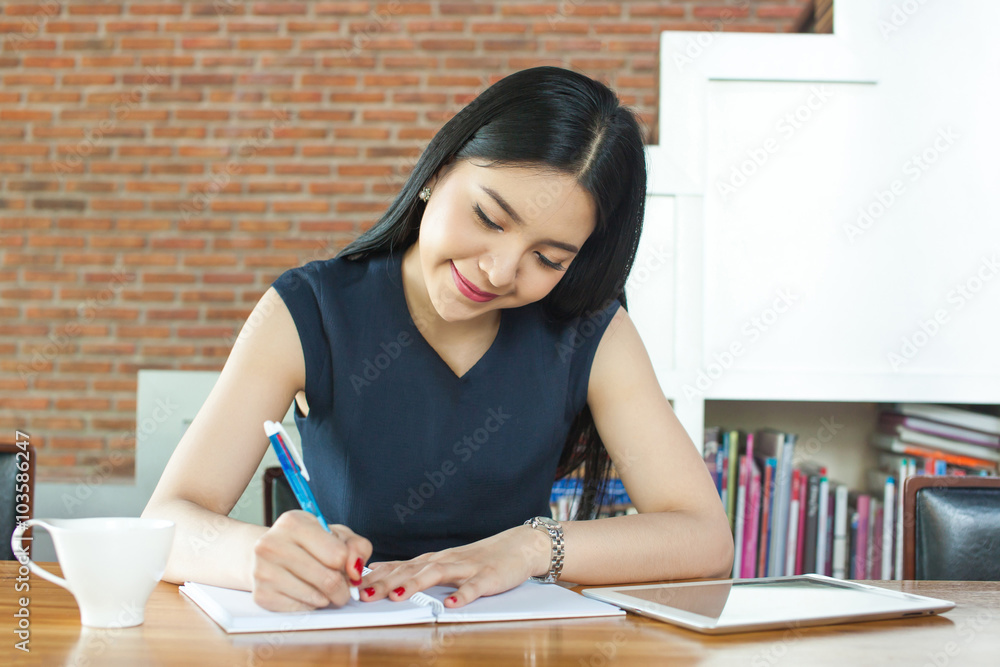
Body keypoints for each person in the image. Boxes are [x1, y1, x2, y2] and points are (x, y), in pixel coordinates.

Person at [142, 66, 733, 613]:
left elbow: (704, 537)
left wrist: (530, 549)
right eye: (489, 219)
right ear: (437, 173)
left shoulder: (591, 332)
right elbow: (164, 523)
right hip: (349, 635)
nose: (500, 271)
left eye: (548, 259)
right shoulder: (309, 310)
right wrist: (258, 556)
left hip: (506, 640)